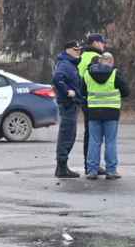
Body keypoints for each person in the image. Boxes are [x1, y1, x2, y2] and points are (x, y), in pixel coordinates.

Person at [83, 52, 130, 179]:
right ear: (111, 61)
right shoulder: (115, 74)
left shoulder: (87, 74)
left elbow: (82, 90)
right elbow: (126, 92)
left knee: (94, 141)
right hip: (111, 112)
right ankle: (111, 170)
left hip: (93, 112)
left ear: (100, 61)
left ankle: (92, 170)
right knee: (110, 142)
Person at [52, 40, 83, 178]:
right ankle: (62, 167)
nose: (79, 52)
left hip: (71, 103)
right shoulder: (65, 64)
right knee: (67, 135)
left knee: (70, 134)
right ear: (68, 50)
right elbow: (57, 78)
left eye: (79, 50)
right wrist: (67, 91)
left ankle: (62, 167)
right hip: (67, 104)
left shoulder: (70, 64)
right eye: (76, 50)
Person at [78, 33, 107, 174]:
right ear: (95, 43)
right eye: (102, 42)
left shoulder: (83, 56)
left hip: (84, 99)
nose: (104, 45)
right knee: (94, 135)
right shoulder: (95, 58)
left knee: (89, 133)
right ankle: (92, 165)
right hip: (93, 101)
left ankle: (89, 164)